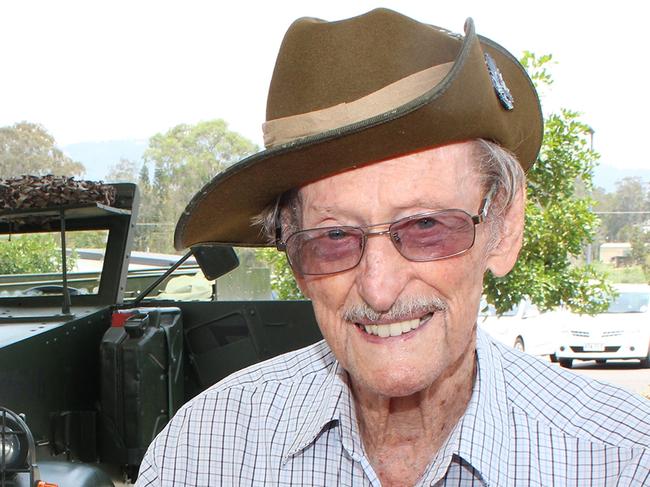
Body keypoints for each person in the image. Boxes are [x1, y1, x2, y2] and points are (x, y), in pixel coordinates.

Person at [137, 8, 650, 486]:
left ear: (503, 229)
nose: (379, 289)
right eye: (334, 237)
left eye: (426, 226)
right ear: (294, 257)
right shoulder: (204, 452)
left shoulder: (622, 459)